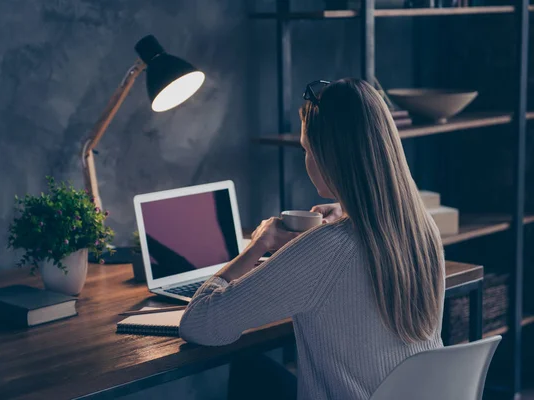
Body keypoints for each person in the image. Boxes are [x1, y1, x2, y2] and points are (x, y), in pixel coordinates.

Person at [179, 78, 445, 400]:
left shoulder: (325, 250)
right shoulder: (421, 230)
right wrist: (346, 211)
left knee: (249, 369)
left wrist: (258, 244)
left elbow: (200, 324)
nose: (305, 158)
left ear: (328, 157)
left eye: (307, 148)